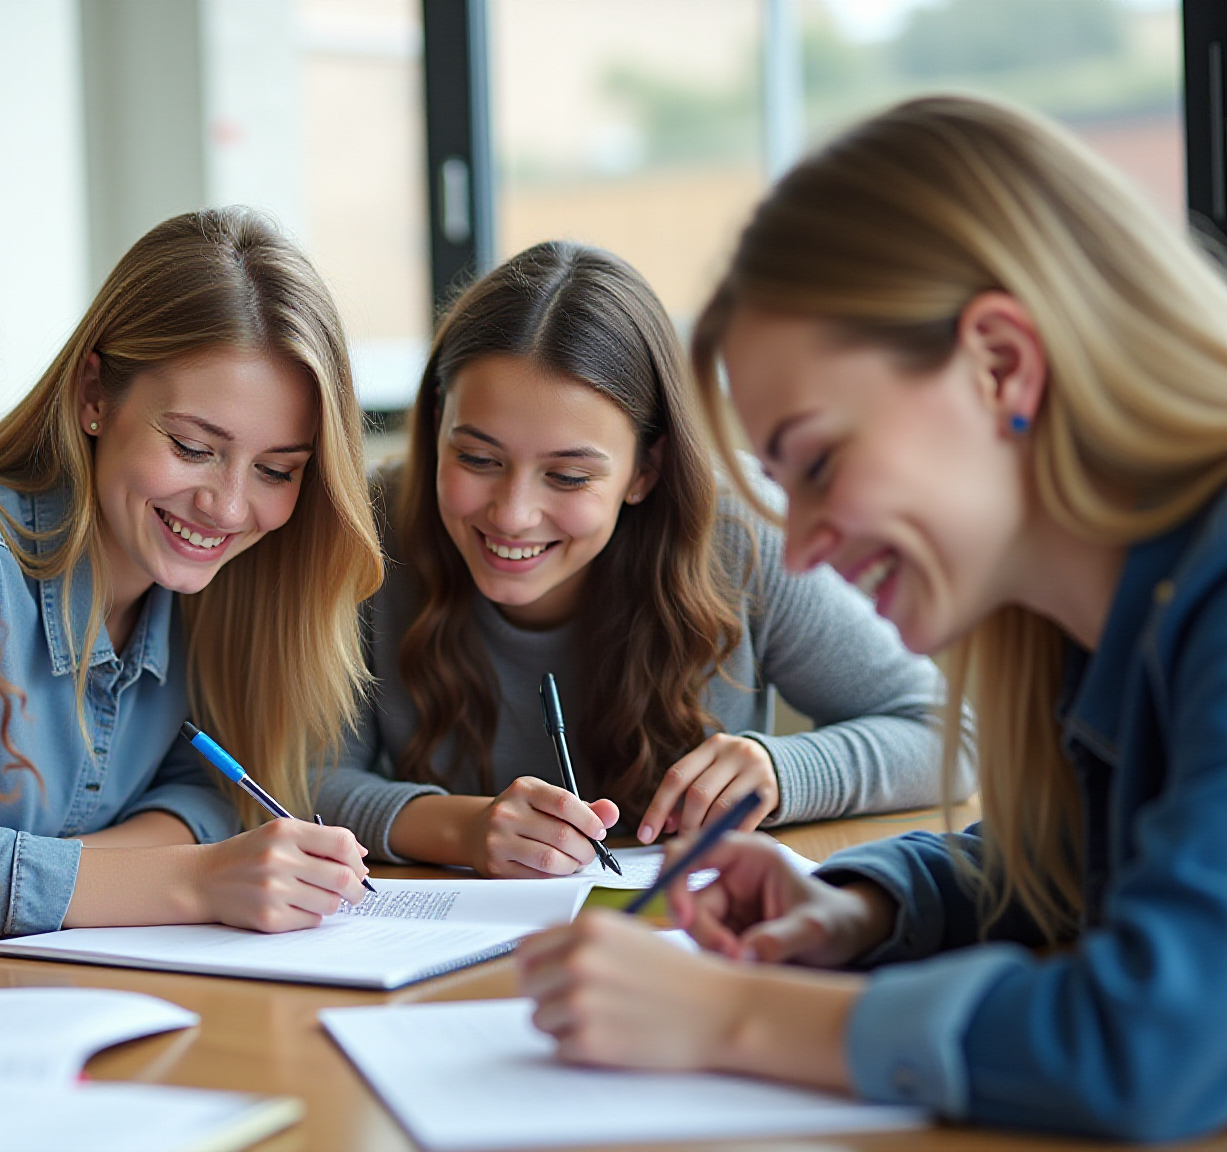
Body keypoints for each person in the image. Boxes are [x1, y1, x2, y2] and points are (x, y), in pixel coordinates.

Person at [518, 95, 1227, 1141]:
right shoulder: (1091, 631)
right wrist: (865, 907)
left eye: (817, 462)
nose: (799, 546)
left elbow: (1155, 1041)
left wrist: (732, 1017)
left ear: (999, 365)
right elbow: (1069, 868)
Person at [318, 241, 966, 877]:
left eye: (569, 477)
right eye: (478, 459)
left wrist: (782, 770)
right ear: (436, 426)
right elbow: (294, 778)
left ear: (644, 471)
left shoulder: (737, 533)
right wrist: (459, 828)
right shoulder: (369, 530)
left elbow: (949, 737)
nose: (513, 513)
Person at [0, 209, 383, 938]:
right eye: (191, 445)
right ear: (94, 397)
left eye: (277, 470)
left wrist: (70, 874)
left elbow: (209, 795)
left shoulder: (205, 586)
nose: (229, 507)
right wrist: (192, 879)